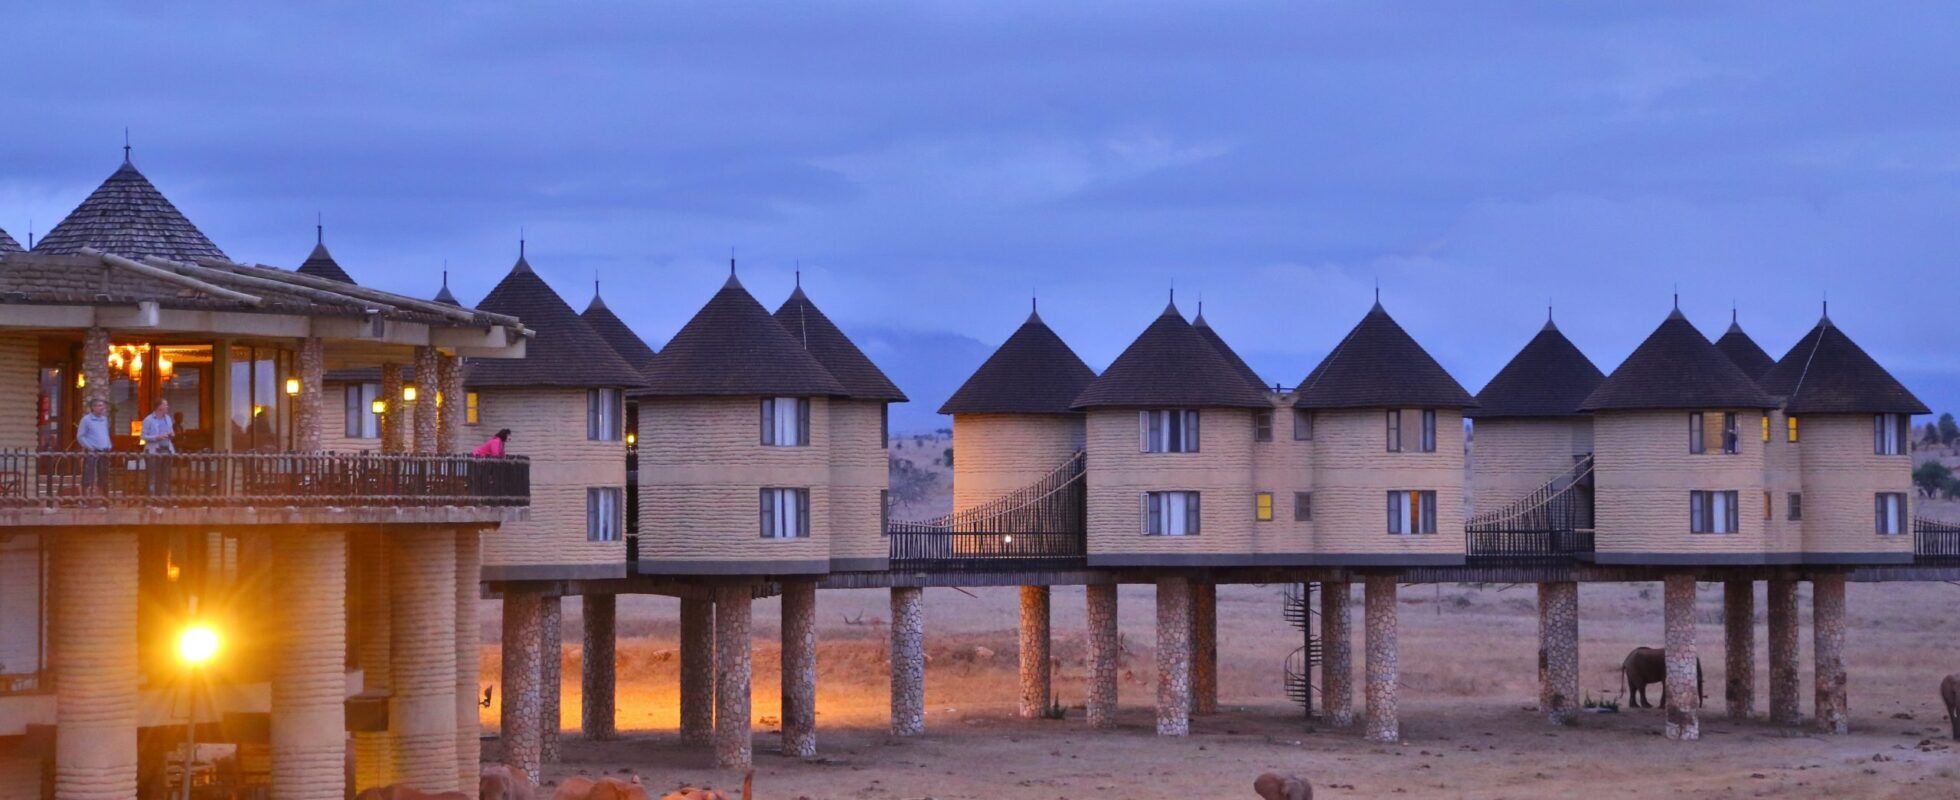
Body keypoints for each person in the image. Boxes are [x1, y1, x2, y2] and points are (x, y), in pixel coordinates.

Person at [75, 397, 111, 496]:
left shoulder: (104, 419)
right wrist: (90, 447)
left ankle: (103, 498)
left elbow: (105, 433)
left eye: (102, 405)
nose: (102, 408)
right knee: (88, 475)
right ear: (93, 407)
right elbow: (80, 436)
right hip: (92, 451)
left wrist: (109, 445)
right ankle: (85, 498)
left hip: (104, 451)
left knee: (103, 476)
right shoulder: (86, 420)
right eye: (99, 406)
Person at [141, 399, 175, 495]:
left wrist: (172, 434)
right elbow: (143, 436)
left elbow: (171, 430)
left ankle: (164, 497)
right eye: (166, 405)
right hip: (154, 451)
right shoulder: (148, 420)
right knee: (153, 476)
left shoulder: (168, 418)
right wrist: (157, 437)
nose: (167, 407)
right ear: (160, 407)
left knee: (166, 476)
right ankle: (152, 498)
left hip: (167, 450)